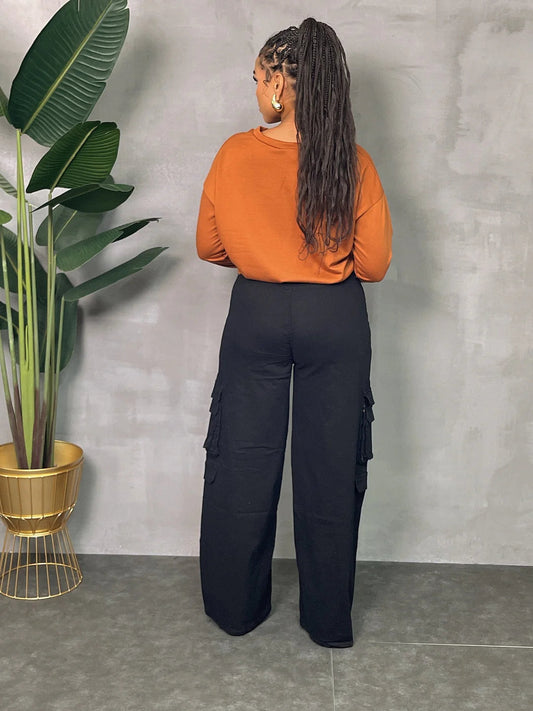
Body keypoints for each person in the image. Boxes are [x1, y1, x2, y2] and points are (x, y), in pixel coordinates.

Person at [196, 17, 392, 648]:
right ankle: (327, 620)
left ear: (281, 83)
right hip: (334, 318)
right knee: (330, 466)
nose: (256, 87)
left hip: (255, 315)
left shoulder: (233, 154)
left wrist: (263, 255)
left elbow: (209, 246)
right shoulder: (352, 163)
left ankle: (235, 610)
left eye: (259, 76)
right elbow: (375, 265)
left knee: (243, 460)